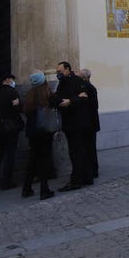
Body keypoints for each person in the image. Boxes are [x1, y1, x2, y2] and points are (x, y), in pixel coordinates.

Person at [53, 61, 90, 191]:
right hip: (69, 122)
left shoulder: (77, 81)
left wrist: (70, 101)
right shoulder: (62, 83)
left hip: (77, 122)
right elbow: (56, 98)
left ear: (68, 69)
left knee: (77, 151)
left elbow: (85, 98)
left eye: (60, 71)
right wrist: (62, 101)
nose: (59, 74)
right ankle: (85, 176)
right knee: (77, 151)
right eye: (57, 72)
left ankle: (77, 180)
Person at [21, 72, 55, 200]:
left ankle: (26, 188)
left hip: (32, 133)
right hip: (45, 132)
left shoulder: (29, 96)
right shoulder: (47, 95)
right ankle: (44, 189)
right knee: (45, 160)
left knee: (32, 159)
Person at [0, 74, 24, 191]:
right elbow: (17, 109)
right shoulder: (12, 92)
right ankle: (6, 181)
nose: (13, 82)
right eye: (12, 80)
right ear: (7, 80)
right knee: (10, 155)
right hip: (11, 127)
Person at [77, 68, 100, 184]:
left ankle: (93, 170)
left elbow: (94, 105)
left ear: (85, 77)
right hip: (89, 123)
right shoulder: (85, 87)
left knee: (90, 148)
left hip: (90, 123)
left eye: (79, 75)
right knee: (89, 147)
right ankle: (92, 169)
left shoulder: (89, 88)